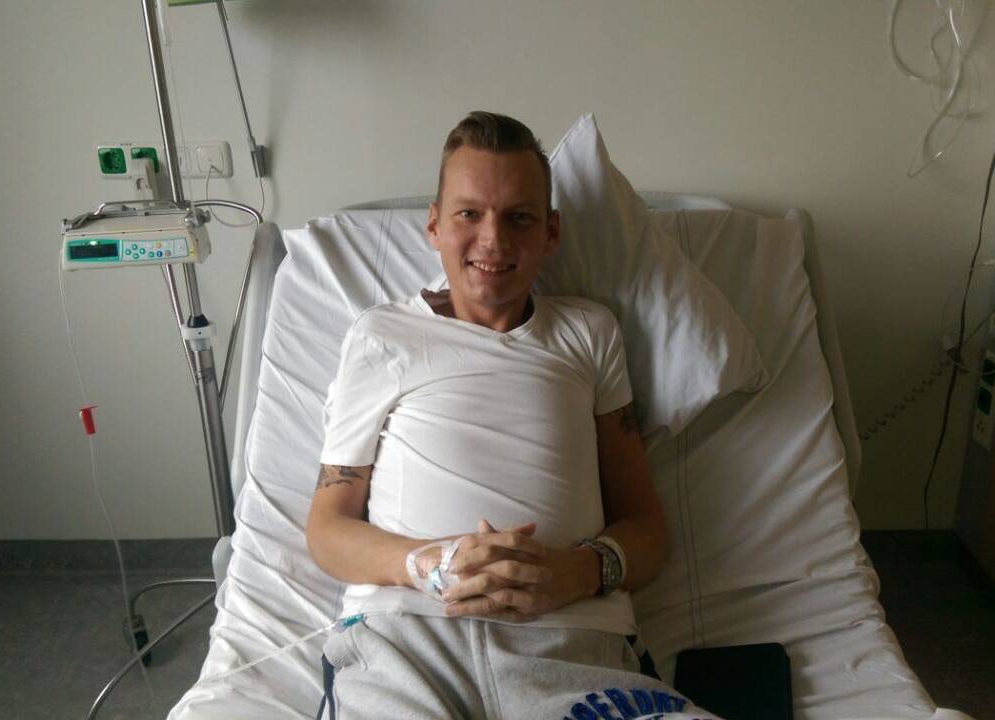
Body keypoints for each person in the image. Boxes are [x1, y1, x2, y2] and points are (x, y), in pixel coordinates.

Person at [306, 111, 717, 720]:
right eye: (469, 214)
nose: (493, 240)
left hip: (573, 646)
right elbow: (327, 527)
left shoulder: (589, 333)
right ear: (434, 225)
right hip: (409, 641)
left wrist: (578, 573)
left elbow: (648, 531)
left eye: (519, 217)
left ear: (551, 232)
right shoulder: (381, 336)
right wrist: (428, 565)